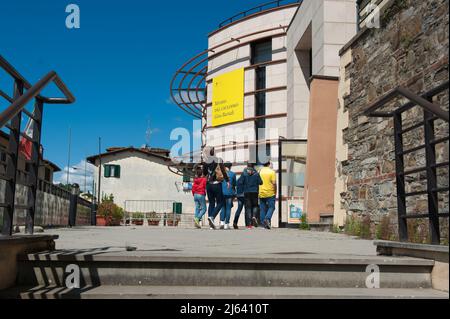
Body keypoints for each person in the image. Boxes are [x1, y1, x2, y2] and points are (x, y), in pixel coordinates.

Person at [202, 146, 229, 230]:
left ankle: (211, 224)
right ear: (214, 152)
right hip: (217, 184)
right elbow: (223, 171)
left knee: (211, 203)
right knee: (220, 202)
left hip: (208, 185)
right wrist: (227, 180)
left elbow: (204, 173)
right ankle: (212, 217)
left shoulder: (205, 162)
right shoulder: (219, 160)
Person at [242, 162, 263, 229]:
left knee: (248, 208)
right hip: (254, 192)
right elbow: (261, 182)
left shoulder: (244, 173)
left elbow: (241, 182)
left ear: (247, 166)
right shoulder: (256, 174)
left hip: (247, 192)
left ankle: (249, 225)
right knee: (255, 205)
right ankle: (254, 216)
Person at [259, 161, 277, 230]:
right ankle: (267, 218)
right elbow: (274, 183)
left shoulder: (260, 171)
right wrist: (275, 191)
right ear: (269, 164)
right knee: (272, 207)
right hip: (270, 192)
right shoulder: (272, 172)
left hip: (261, 192)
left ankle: (264, 225)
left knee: (262, 209)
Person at [220, 162, 236, 230]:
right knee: (228, 208)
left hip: (222, 193)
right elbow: (235, 184)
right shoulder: (233, 174)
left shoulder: (221, 174)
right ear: (230, 167)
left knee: (223, 208)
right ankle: (227, 224)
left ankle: (222, 223)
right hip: (229, 193)